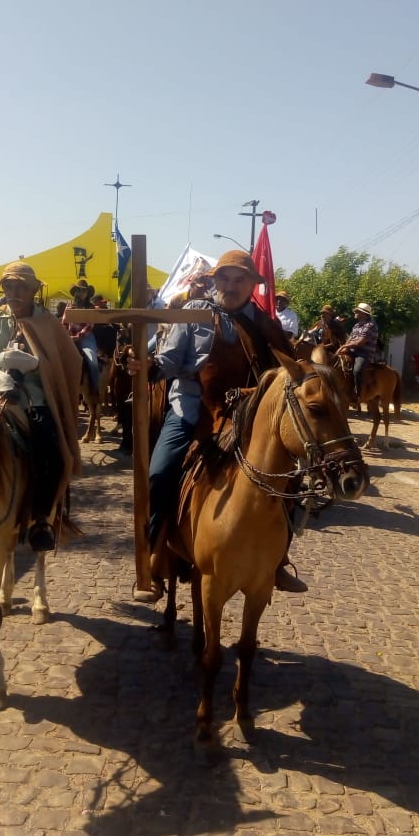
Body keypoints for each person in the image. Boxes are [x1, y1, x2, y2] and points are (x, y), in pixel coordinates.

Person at [128, 249, 307, 596]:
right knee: (159, 473)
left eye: (240, 280)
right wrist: (148, 367)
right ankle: (155, 555)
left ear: (252, 285)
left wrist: (256, 393)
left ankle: (278, 561)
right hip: (192, 410)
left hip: (247, 417)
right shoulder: (194, 312)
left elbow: (285, 375)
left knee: (291, 477)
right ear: (214, 281)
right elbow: (168, 359)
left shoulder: (264, 325)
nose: (231, 286)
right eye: (224, 278)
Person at [0, 262, 82, 552]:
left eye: (22, 287)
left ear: (34, 291)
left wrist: (39, 368)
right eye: (9, 286)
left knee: (52, 454)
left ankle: (41, 519)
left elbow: (67, 361)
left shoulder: (47, 323)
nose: (14, 292)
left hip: (34, 399)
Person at [62, 279, 100, 394]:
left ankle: (95, 388)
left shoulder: (91, 307)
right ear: (75, 292)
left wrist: (79, 336)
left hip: (86, 337)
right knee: (56, 358)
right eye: (78, 291)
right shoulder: (69, 306)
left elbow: (90, 325)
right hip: (70, 337)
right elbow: (64, 322)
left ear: (87, 293)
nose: (80, 293)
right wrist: (66, 335)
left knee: (92, 361)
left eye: (83, 291)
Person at [336, 302, 379, 402]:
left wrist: (344, 346)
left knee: (357, 370)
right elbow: (350, 338)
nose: (355, 312)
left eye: (357, 311)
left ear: (363, 313)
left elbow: (360, 343)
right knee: (338, 362)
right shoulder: (356, 325)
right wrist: (344, 348)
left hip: (364, 353)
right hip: (352, 350)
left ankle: (358, 394)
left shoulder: (370, 325)